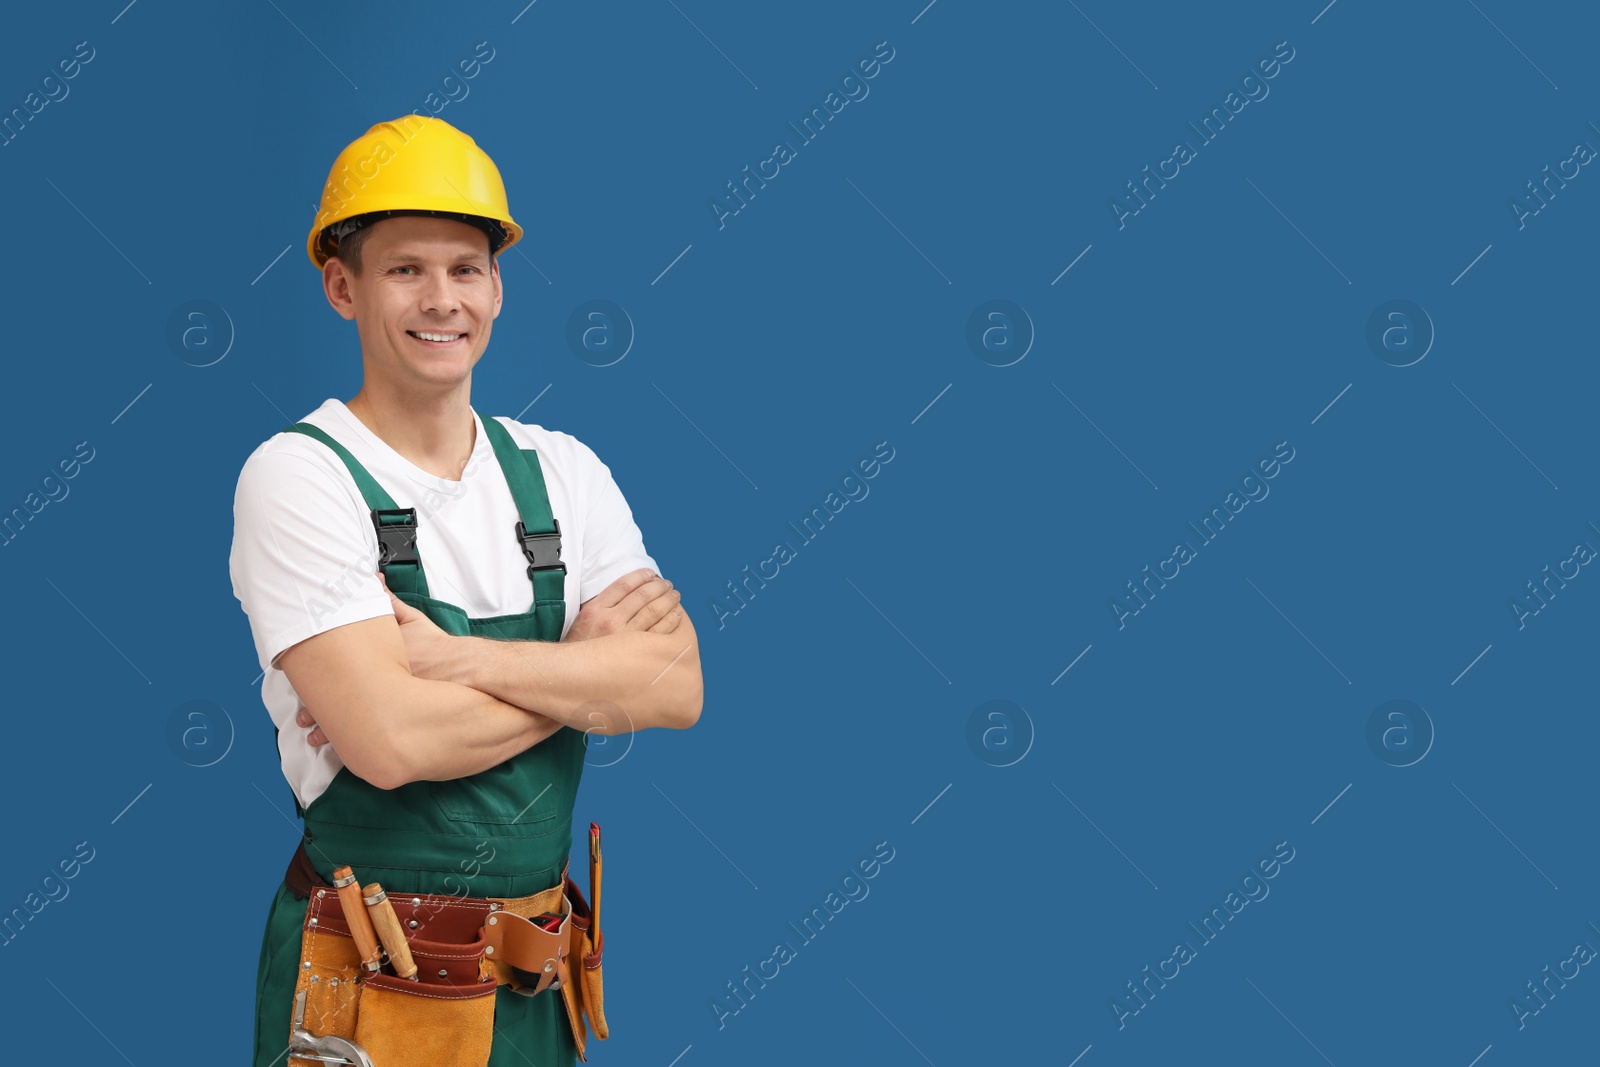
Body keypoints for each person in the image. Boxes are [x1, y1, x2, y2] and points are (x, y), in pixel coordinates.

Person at [229, 115, 703, 1067]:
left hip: (535, 985)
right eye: (405, 269)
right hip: (365, 985)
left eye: (465, 268)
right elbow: (392, 743)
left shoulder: (563, 471)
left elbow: (676, 688)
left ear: (497, 286)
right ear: (341, 287)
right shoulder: (299, 477)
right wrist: (581, 675)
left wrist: (457, 662)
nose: (440, 299)